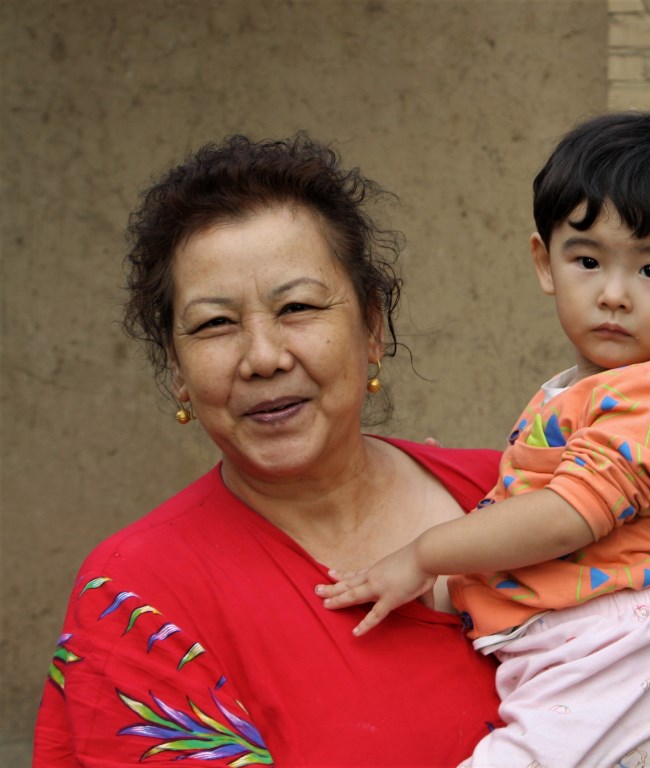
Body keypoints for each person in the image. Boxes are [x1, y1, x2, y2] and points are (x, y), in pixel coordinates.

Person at [33, 134, 505, 766]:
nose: (263, 357)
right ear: (176, 368)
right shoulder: (138, 599)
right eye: (214, 324)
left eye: (298, 307)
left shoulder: (524, 496)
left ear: (371, 327)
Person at [317, 112, 650, 768]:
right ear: (545, 263)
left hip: (613, 651)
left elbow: (567, 517)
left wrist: (427, 554)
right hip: (579, 657)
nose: (613, 294)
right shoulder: (576, 390)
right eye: (588, 260)